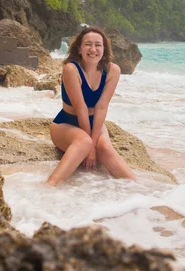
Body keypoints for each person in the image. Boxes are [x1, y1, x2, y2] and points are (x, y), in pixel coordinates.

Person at [47, 27, 136, 186]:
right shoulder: (71, 69)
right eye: (88, 44)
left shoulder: (113, 70)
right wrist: (90, 148)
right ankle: (48, 187)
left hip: (95, 122)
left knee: (105, 148)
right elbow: (81, 109)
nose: (93, 49)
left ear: (104, 49)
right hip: (65, 124)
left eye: (98, 45)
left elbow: (102, 107)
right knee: (84, 143)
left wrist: (95, 146)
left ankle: (139, 191)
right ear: (79, 49)